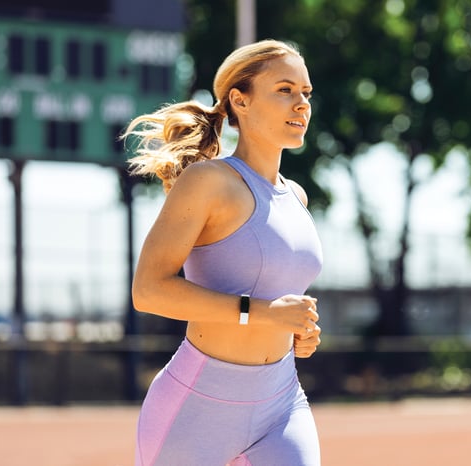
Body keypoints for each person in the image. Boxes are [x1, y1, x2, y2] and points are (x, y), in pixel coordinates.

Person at [123, 39, 323, 466]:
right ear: (240, 100)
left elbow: (279, 297)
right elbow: (149, 290)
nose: (301, 104)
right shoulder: (208, 181)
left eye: (306, 93)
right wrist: (263, 313)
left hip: (282, 403)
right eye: (285, 90)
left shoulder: (298, 198)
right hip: (197, 409)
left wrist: (298, 332)